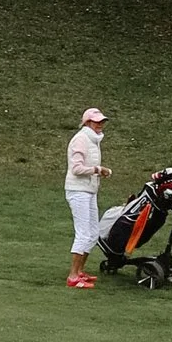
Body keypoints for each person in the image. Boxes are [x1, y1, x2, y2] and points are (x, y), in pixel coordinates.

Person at [63, 108, 107, 289]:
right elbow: (77, 169)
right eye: (96, 122)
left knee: (93, 232)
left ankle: (80, 271)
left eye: (102, 121)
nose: (100, 124)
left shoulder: (93, 140)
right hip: (77, 190)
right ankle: (73, 276)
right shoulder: (81, 139)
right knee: (83, 233)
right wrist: (97, 170)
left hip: (89, 190)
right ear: (87, 123)